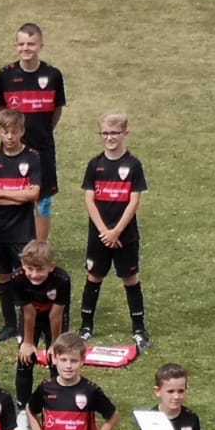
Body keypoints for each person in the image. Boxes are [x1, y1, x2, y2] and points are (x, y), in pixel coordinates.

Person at [79, 112, 151, 347]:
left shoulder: (133, 165)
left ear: (125, 134)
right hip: (99, 234)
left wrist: (116, 231)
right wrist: (104, 231)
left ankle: (139, 329)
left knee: (130, 278)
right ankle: (86, 327)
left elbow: (134, 201)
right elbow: (89, 199)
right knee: (94, 277)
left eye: (115, 133)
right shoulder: (95, 164)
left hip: (125, 235)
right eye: (106, 133)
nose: (110, 138)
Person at [0, 23, 65, 242]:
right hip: (12, 149)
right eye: (22, 44)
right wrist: (10, 134)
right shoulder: (5, 74)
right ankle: (6, 247)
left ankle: (40, 248)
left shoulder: (52, 75)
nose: (26, 48)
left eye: (31, 44)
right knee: (9, 197)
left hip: (43, 147)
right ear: (16, 46)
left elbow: (56, 110)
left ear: (41, 45)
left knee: (43, 200)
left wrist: (44, 130)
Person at [0, 108, 43, 343]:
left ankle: (28, 327)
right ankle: (9, 325)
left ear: (22, 131)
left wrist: (0, 193)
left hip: (22, 230)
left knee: (25, 276)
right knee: (3, 277)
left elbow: (33, 194)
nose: (10, 137)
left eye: (15, 132)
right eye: (5, 132)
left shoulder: (32, 157)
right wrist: (15, 194)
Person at [10, 240, 70, 419]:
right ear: (23, 265)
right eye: (30, 269)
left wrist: (55, 343)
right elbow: (28, 312)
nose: (34, 275)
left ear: (51, 267)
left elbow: (56, 314)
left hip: (54, 317)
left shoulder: (62, 279)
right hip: (31, 319)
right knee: (25, 360)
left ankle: (55, 406)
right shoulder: (18, 278)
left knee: (56, 359)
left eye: (40, 270)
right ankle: (23, 408)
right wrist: (28, 342)